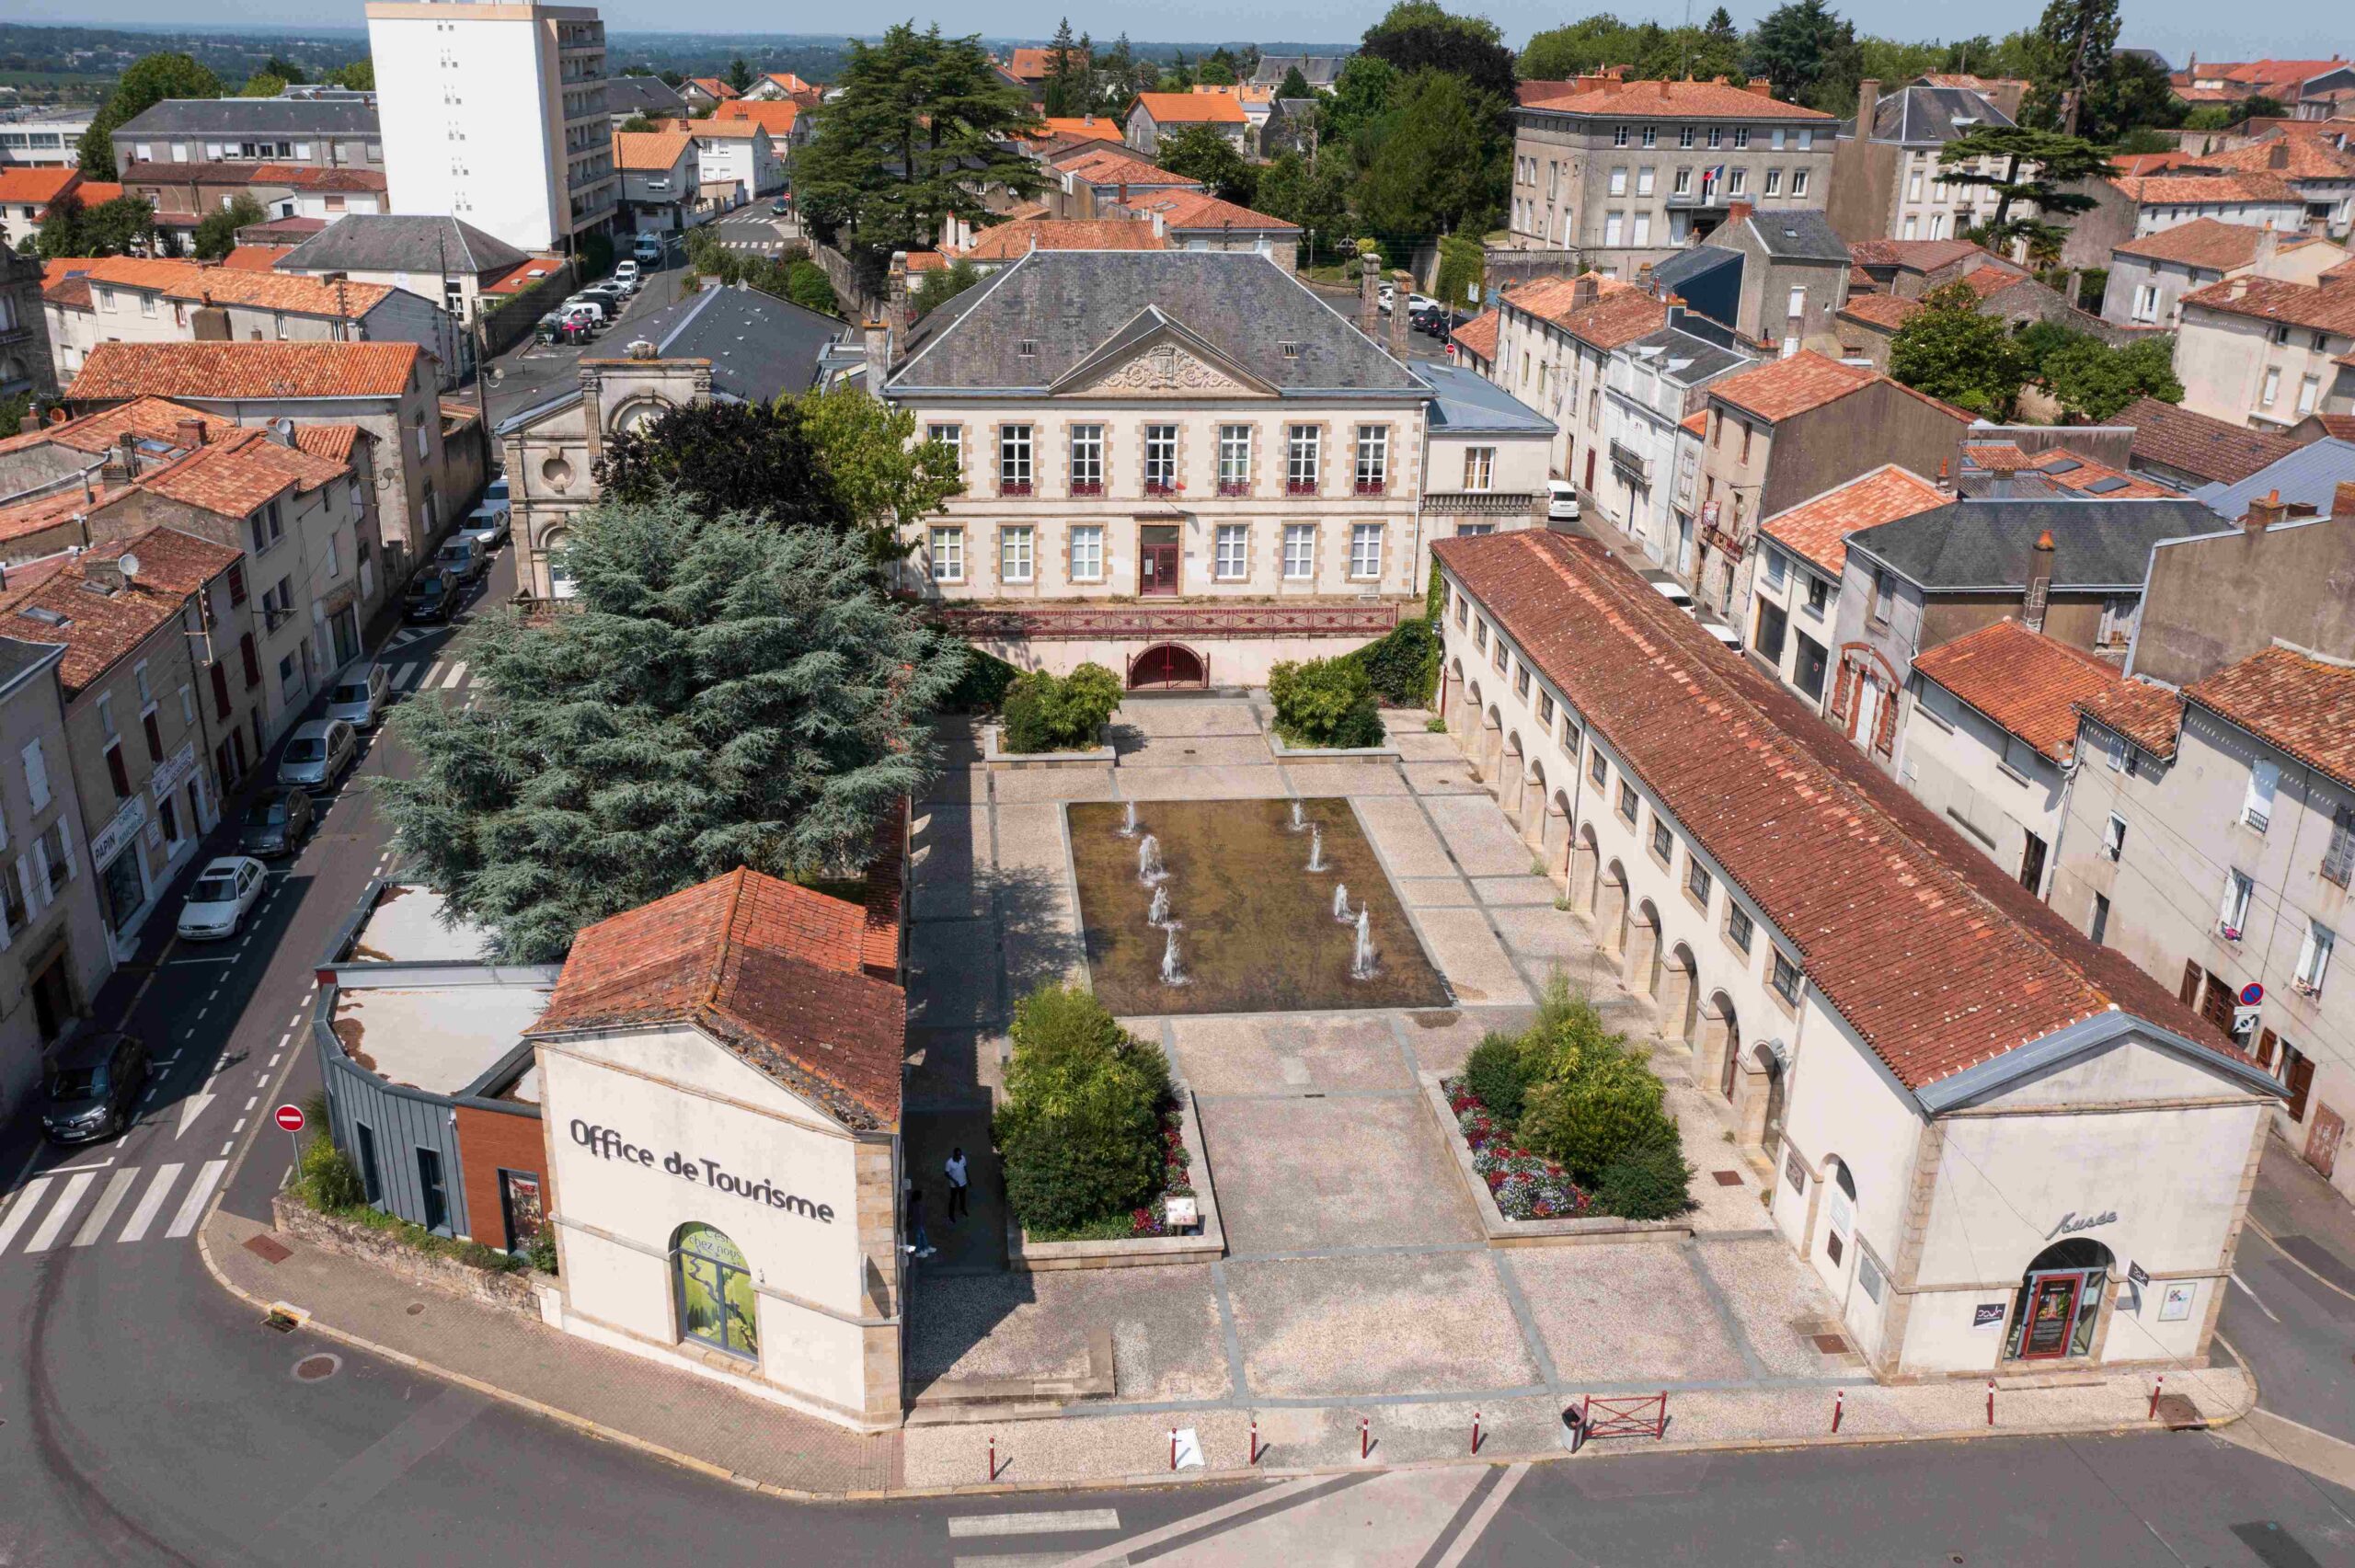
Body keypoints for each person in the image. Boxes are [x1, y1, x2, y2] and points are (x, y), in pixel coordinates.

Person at [903, 1176, 935, 1258]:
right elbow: (911, 1213)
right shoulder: (913, 1203)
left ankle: (925, 1248)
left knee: (922, 1235)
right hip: (916, 1222)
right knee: (918, 1237)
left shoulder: (916, 1203)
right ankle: (919, 1251)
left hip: (918, 1222)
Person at [944, 1147, 970, 1221]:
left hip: (963, 1183)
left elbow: (965, 1168)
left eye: (960, 1155)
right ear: (954, 1155)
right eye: (958, 1155)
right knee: (953, 1200)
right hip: (954, 1186)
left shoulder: (963, 1158)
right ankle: (951, 1215)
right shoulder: (949, 1163)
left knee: (963, 1198)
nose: (960, 1157)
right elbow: (946, 1174)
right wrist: (954, 1181)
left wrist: (968, 1178)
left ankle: (963, 1209)